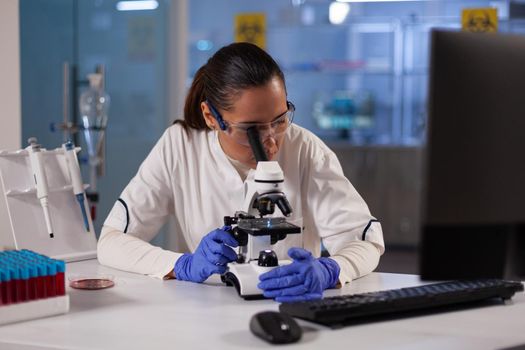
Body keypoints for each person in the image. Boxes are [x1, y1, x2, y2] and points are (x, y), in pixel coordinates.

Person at [98, 42, 385, 302]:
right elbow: (110, 243)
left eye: (280, 119)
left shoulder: (306, 150)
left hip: (288, 309)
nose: (271, 142)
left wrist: (330, 269)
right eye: (252, 130)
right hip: (204, 315)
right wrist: (181, 265)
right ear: (212, 117)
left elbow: (366, 242)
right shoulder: (180, 146)